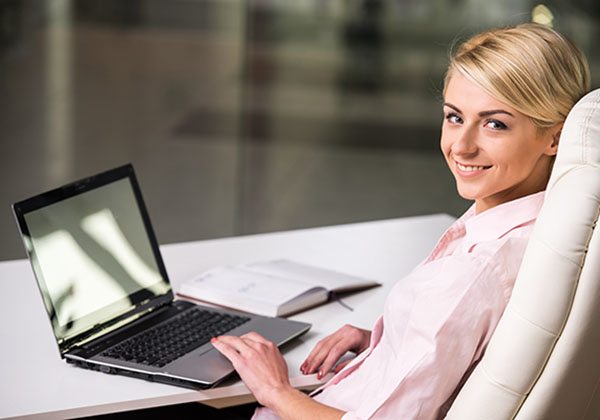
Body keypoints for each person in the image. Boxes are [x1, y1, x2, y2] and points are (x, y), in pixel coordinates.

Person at [210, 23, 591, 419]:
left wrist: (275, 390)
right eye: (454, 117)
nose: (461, 145)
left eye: (495, 123)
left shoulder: (473, 272)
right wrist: (390, 339)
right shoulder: (542, 233)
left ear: (555, 138)